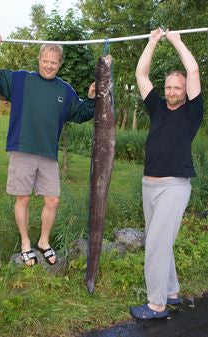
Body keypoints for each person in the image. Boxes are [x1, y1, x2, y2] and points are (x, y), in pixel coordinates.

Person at [0, 35, 95, 266]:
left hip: (48, 154)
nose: (49, 65)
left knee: (52, 200)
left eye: (54, 62)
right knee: (22, 198)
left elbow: (81, 113)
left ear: (60, 64)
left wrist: (92, 100)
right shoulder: (21, 79)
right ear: (39, 59)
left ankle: (43, 242)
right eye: (46, 60)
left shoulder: (65, 90)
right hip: (22, 149)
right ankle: (25, 243)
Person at [130, 28, 203, 319]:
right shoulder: (158, 107)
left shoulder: (192, 112)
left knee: (157, 245)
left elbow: (193, 69)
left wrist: (176, 41)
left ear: (185, 90)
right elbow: (141, 75)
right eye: (169, 87)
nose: (172, 91)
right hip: (150, 185)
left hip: (174, 186)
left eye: (177, 87)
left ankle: (156, 304)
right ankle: (171, 292)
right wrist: (151, 42)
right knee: (160, 241)